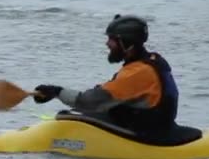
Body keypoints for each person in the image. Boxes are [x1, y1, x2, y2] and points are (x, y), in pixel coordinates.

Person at [33, 14, 179, 138]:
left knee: (68, 118)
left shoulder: (138, 72)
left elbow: (89, 102)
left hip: (146, 135)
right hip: (154, 127)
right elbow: (111, 94)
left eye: (112, 39)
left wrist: (56, 92)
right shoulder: (152, 60)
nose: (107, 43)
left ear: (127, 43)